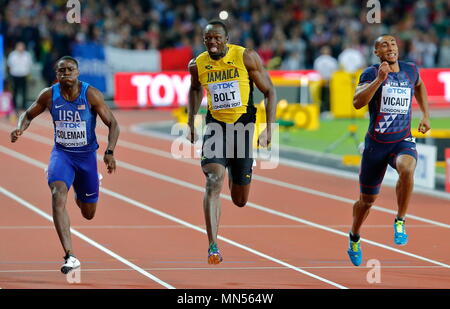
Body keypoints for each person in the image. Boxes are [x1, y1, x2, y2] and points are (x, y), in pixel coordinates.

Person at [10, 56, 120, 274]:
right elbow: (28, 114)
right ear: (56, 74)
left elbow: (113, 123)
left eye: (70, 69)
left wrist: (109, 152)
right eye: (61, 71)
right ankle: (70, 255)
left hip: (87, 158)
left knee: (88, 213)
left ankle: (84, 187)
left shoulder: (90, 94)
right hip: (62, 155)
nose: (66, 73)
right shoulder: (49, 94)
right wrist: (20, 128)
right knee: (57, 194)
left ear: (78, 73)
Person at [187, 20, 276, 264]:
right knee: (213, 180)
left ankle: (238, 169)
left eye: (217, 38)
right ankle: (213, 246)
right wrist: (190, 121)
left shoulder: (246, 57)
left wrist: (269, 130)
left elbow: (269, 91)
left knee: (239, 199)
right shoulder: (198, 64)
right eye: (208, 39)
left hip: (244, 129)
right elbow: (195, 89)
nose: (212, 42)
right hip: (216, 128)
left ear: (226, 39)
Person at [347, 35, 431, 266]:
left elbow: (420, 85)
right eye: (384, 45)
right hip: (376, 146)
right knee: (367, 201)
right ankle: (354, 236)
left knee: (407, 169)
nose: (390, 47)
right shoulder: (370, 73)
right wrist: (379, 80)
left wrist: (425, 115)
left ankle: (401, 219)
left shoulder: (410, 69)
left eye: (393, 43)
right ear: (377, 52)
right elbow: (356, 102)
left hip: (402, 140)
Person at [7, 42, 33, 113]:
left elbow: (29, 65)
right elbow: (9, 65)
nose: (20, 48)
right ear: (16, 47)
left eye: (22, 46)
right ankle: (14, 106)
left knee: (24, 91)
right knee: (15, 91)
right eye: (19, 46)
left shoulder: (27, 55)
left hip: (24, 75)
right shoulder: (12, 55)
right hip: (15, 75)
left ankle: (23, 106)